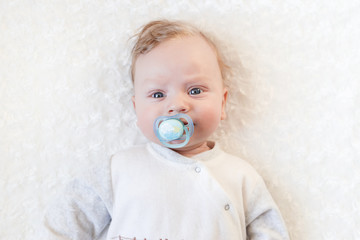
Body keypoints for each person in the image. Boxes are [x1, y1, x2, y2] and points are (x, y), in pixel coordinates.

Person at [44, 19, 290, 240]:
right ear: (137, 110)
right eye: (158, 94)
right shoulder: (118, 170)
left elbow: (270, 231)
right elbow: (67, 220)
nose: (177, 105)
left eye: (195, 90)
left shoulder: (240, 176)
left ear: (223, 103)